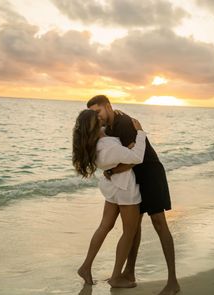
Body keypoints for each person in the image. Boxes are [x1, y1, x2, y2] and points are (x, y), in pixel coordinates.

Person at [87, 95, 180, 295]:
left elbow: (135, 159)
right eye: (93, 113)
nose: (97, 117)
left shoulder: (123, 123)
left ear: (108, 107)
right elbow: (113, 154)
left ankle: (173, 281)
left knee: (159, 223)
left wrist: (111, 172)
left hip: (151, 174)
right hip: (133, 179)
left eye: (98, 111)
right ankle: (128, 273)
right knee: (133, 228)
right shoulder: (109, 127)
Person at [72, 109, 147, 288]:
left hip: (112, 187)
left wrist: (124, 151)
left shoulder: (96, 145)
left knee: (105, 226)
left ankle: (86, 266)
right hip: (125, 189)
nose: (101, 118)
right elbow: (138, 157)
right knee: (130, 231)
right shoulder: (108, 147)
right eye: (97, 119)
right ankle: (116, 277)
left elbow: (118, 156)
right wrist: (141, 133)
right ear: (94, 127)